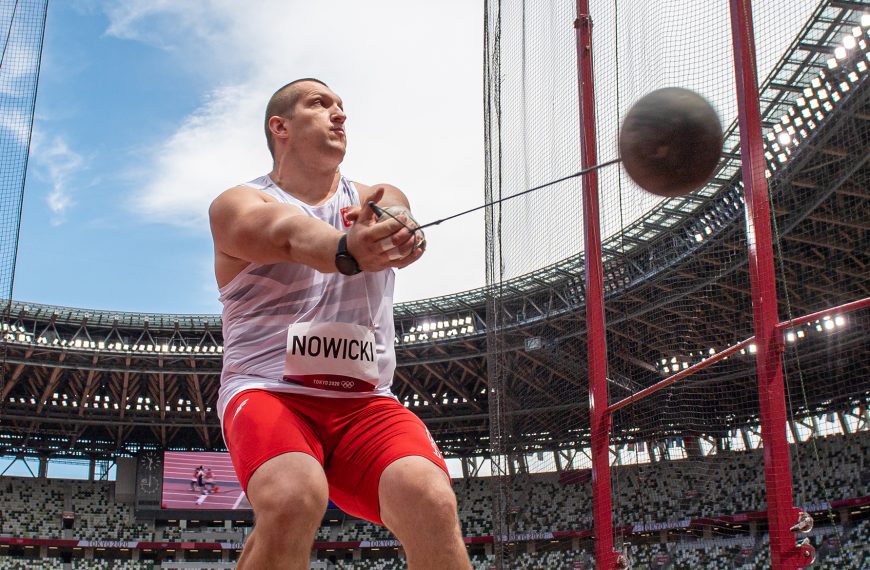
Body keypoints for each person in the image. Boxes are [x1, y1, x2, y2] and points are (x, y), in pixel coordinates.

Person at [209, 78, 471, 570]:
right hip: (268, 392)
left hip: (363, 402)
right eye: (320, 103)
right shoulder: (236, 204)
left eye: (342, 107)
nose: (339, 114)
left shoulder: (373, 195)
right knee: (292, 496)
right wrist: (345, 250)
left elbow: (394, 209)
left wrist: (398, 231)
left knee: (430, 498)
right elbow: (286, 234)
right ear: (280, 126)